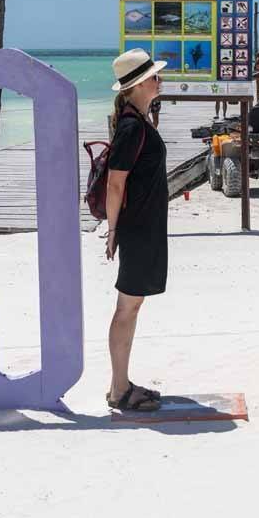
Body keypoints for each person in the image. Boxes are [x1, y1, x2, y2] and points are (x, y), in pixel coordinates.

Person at [105, 48, 169, 413]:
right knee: (127, 308)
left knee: (132, 305)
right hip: (137, 229)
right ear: (140, 85)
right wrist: (113, 231)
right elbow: (116, 183)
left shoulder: (137, 120)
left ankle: (121, 384)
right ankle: (119, 390)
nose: (159, 81)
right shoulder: (131, 126)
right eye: (154, 77)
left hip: (144, 227)